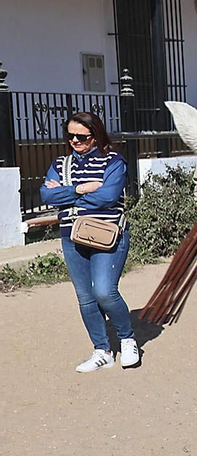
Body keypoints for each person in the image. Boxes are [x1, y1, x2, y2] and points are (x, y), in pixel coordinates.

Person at [41, 111, 139, 372]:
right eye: (70, 135)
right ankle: (102, 350)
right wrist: (81, 189)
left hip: (107, 234)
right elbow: (46, 196)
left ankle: (127, 338)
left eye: (81, 136)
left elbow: (108, 196)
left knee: (104, 291)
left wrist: (64, 194)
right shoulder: (60, 164)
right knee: (85, 297)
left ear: (96, 136)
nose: (75, 141)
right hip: (71, 236)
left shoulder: (113, 161)